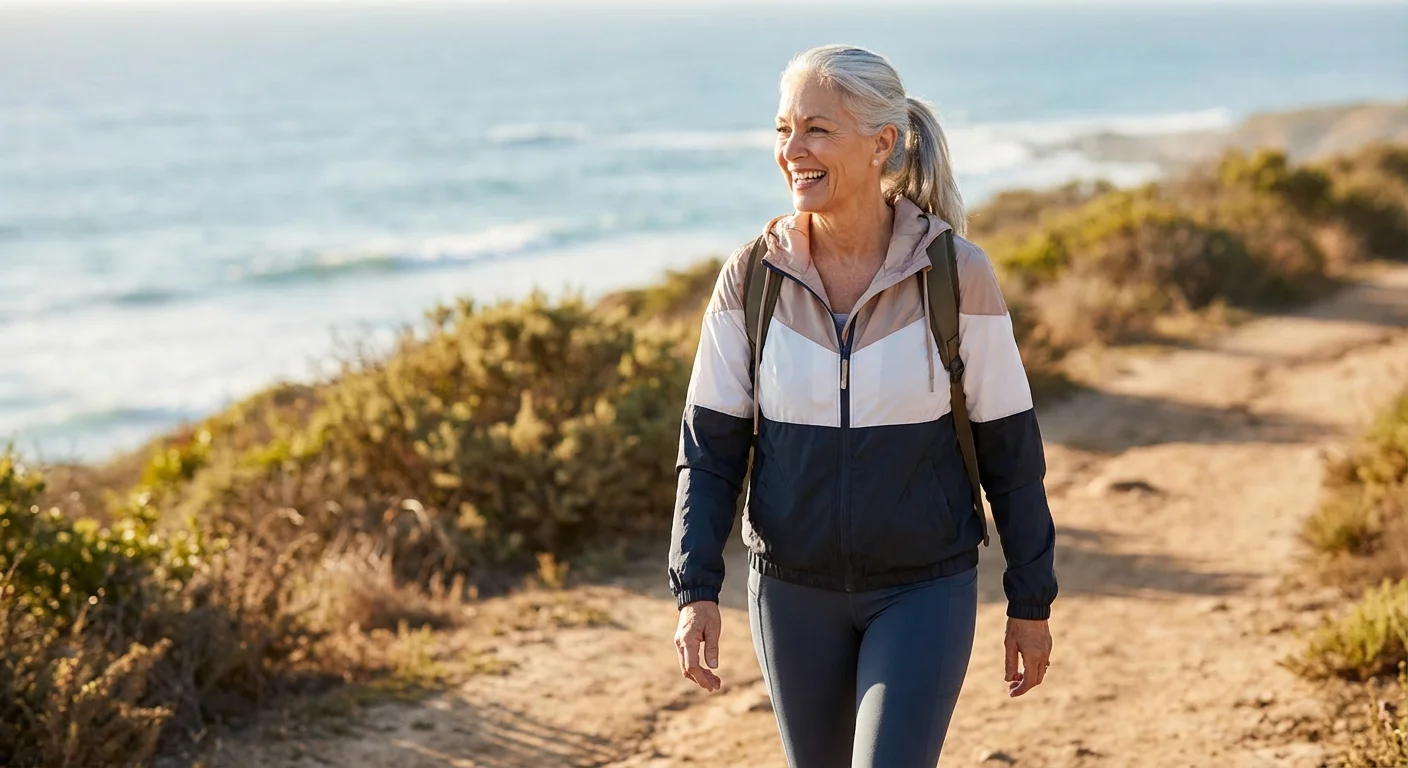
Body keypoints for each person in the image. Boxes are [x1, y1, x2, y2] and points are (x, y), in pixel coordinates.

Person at [666, 44, 1058, 767]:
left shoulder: (956, 275)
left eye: (817, 129)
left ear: (883, 143)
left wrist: (1030, 602)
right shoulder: (753, 277)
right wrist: (695, 589)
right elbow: (710, 452)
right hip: (790, 592)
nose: (793, 151)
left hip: (922, 591)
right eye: (783, 129)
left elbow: (1011, 453)